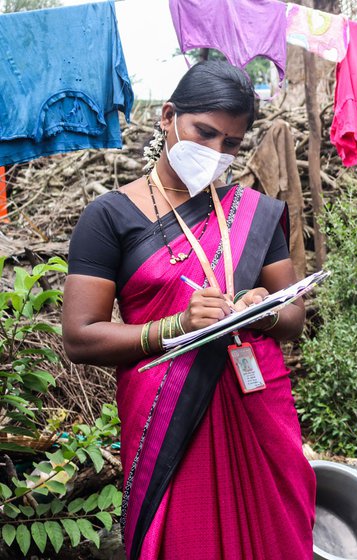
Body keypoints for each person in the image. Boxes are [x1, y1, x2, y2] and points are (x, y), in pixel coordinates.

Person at [62, 61, 314, 560]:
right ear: (168, 116)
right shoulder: (109, 217)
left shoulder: (254, 213)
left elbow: (294, 317)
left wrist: (261, 312)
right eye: (205, 133)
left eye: (232, 144)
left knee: (273, 536)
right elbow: (79, 335)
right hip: (169, 416)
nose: (217, 153)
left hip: (255, 403)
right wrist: (176, 326)